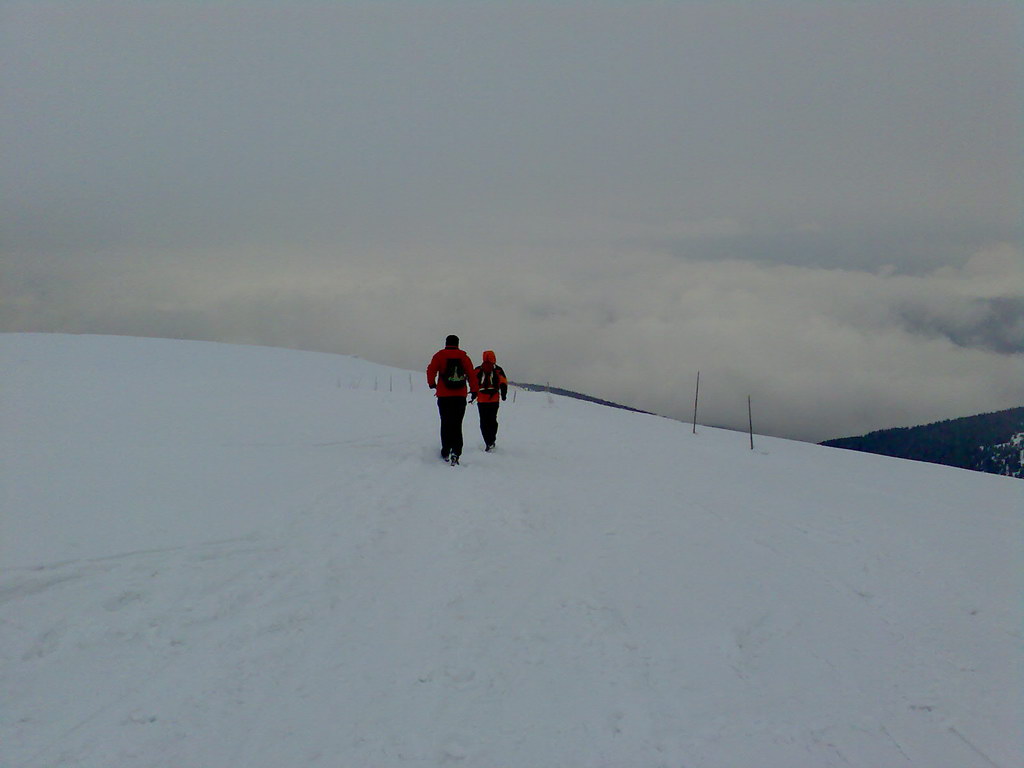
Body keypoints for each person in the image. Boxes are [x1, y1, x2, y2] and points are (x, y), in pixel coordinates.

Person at [426, 334, 478, 465]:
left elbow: (431, 370)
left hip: (444, 395)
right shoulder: (464, 357)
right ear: (458, 343)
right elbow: (471, 374)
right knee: (457, 423)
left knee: (446, 422)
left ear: (446, 343)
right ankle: (456, 451)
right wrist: (474, 390)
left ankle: (446, 450)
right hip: (460, 395)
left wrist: (432, 384)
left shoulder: (439, 355)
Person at [471, 350, 508, 452]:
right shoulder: (498, 370)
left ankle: (487, 440)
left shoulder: (479, 369)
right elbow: (503, 382)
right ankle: (491, 440)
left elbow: (473, 382)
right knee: (492, 420)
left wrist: (474, 395)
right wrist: (504, 394)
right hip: (494, 399)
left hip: (482, 400)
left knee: (483, 421)